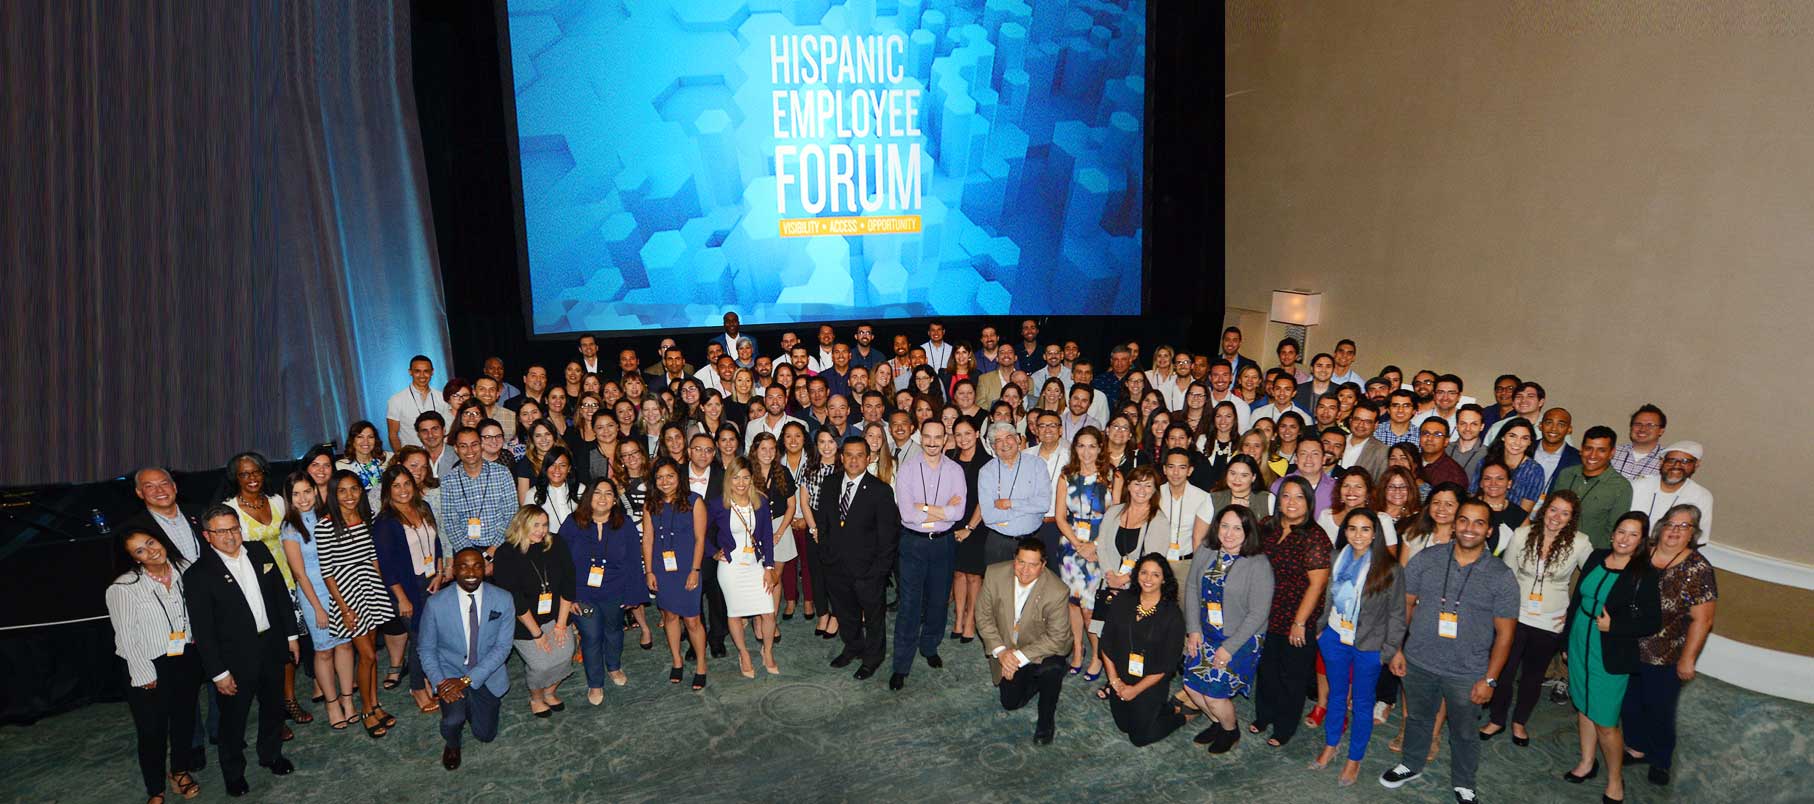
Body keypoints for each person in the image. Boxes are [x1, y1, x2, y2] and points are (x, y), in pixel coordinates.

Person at [1378, 499, 1518, 804]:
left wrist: (1490, 680)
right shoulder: (1427, 559)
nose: (1470, 528)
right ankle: (1411, 764)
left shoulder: (1501, 574)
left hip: (1467, 671)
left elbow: (1506, 635)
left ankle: (1465, 782)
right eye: (1464, 521)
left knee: (1464, 731)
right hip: (1418, 660)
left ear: (1489, 530)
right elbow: (1405, 606)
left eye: (1479, 523)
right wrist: (1397, 649)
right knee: (1417, 718)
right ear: (1454, 525)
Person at [184, 505, 299, 796]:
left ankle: (271, 754)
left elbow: (280, 596)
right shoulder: (198, 574)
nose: (230, 536)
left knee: (274, 707)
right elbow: (204, 630)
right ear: (207, 535)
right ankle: (234, 773)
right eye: (221, 531)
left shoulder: (259, 552)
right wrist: (218, 673)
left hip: (272, 646)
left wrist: (291, 635)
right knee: (233, 721)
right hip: (234, 660)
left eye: (234, 529)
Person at [1562, 512, 1662, 804]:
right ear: (1612, 533)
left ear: (1641, 541)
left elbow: (1652, 621)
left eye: (1632, 535)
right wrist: (1567, 640)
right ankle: (1586, 762)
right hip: (1581, 636)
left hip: (1612, 650)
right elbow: (1577, 601)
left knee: (1605, 720)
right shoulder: (1596, 557)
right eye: (1621, 531)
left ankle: (1615, 781)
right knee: (1582, 705)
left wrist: (1614, 626)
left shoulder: (1644, 573)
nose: (1624, 539)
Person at [1480, 491, 1589, 745]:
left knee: (1533, 674)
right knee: (1504, 672)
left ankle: (1520, 722)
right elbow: (1505, 575)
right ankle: (1497, 719)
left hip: (1551, 619)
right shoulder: (1522, 535)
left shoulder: (1580, 542)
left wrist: (1574, 618)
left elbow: (1592, 577)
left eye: (1565, 513)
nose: (1557, 517)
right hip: (1514, 615)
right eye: (1553, 509)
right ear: (1544, 509)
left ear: (1572, 518)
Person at [1307, 508, 1406, 786]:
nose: (1358, 535)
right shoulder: (1336, 558)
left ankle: (1354, 759)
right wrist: (1322, 630)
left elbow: (1398, 614)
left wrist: (1387, 650)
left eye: (1365, 529)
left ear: (1375, 533)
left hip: (1369, 646)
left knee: (1362, 704)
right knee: (1335, 696)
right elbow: (1328, 598)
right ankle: (1331, 744)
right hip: (1335, 638)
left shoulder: (1389, 568)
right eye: (1352, 528)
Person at [1620, 504, 1717, 787]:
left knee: (1659, 708)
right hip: (1627, 645)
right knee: (1629, 702)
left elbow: (1704, 619)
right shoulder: (1642, 552)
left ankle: (1661, 758)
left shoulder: (1697, 568)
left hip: (1665, 652)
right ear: (1661, 526)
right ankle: (1636, 748)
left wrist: (1688, 660)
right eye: (1671, 523)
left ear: (1693, 534)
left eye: (1683, 526)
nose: (1675, 530)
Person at [108, 527, 205, 803]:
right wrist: (143, 673)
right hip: (148, 665)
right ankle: (155, 790)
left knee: (184, 720)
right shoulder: (123, 588)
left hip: (186, 657)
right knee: (152, 731)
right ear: (134, 558)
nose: (150, 551)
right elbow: (126, 637)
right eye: (140, 550)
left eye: (151, 542)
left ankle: (179, 772)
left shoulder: (184, 570)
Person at [1180, 505, 1273, 754]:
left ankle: (1230, 731)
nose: (1229, 534)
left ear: (1248, 531)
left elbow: (1258, 614)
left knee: (1213, 695)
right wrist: (1193, 629)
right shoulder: (1207, 550)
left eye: (1237, 528)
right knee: (1191, 686)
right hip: (1205, 631)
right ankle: (1217, 723)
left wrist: (1228, 649)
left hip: (1241, 638)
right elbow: (1191, 588)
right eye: (1224, 526)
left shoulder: (1258, 564)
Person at [314, 471, 399, 739]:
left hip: (371, 589)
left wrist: (382, 589)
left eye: (354, 490)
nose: (349, 496)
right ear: (333, 494)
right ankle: (365, 710)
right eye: (343, 491)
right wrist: (344, 608)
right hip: (348, 597)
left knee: (370, 654)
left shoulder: (365, 519)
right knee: (369, 656)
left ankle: (374, 704)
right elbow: (327, 572)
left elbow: (373, 557)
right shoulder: (325, 526)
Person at [1250, 476, 1331, 748]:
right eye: (1286, 496)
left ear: (1309, 501)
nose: (1291, 502)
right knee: (1267, 668)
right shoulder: (1267, 527)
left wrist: (1299, 622)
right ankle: (1264, 716)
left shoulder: (1315, 536)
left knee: (1292, 676)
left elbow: (1317, 585)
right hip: (1266, 611)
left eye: (1298, 496)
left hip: (1297, 615)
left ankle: (1284, 727)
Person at [417, 548, 515, 770]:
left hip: (486, 673)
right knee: (453, 720)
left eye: (477, 565)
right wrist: (441, 683)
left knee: (485, 735)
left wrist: (467, 681)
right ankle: (452, 743)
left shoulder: (503, 599)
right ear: (453, 569)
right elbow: (426, 648)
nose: (471, 572)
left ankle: (470, 702)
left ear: (486, 569)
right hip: (449, 672)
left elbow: (502, 647)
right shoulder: (436, 604)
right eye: (464, 566)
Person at [814, 436, 901, 679]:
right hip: (835, 566)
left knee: (873, 618)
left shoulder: (881, 491)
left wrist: (879, 572)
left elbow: (888, 537)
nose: (853, 460)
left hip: (868, 572)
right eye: (849, 455)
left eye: (859, 455)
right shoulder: (830, 484)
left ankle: (873, 657)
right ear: (841, 458)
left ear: (869, 458)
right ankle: (853, 646)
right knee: (845, 613)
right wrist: (825, 555)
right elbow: (824, 523)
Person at [890, 420, 966, 690]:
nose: (933, 442)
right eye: (928, 437)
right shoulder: (908, 469)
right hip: (913, 544)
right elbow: (907, 514)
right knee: (909, 605)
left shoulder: (955, 470)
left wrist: (924, 506)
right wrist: (941, 509)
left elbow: (958, 513)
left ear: (945, 439)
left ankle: (929, 646)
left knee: (937, 601)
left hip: (943, 544)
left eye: (938, 437)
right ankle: (901, 664)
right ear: (920, 438)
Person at [277, 471, 354, 734]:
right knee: (324, 651)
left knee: (345, 646)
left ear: (315, 491)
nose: (303, 498)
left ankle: (348, 700)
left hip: (340, 590)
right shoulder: (289, 527)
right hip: (314, 596)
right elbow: (299, 573)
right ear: (289, 498)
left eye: (307, 491)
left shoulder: (328, 517)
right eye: (296, 494)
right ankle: (332, 705)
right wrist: (319, 607)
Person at [976, 537, 1072, 744]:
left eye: (1033, 565)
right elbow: (983, 616)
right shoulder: (994, 574)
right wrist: (1002, 652)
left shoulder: (1057, 591)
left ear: (1043, 565)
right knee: (1010, 703)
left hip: (1043, 650)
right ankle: (1036, 679)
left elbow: (1056, 637)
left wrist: (1016, 658)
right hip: (1007, 649)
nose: (1025, 570)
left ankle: (1046, 723)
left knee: (1052, 669)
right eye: (1021, 562)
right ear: (1014, 559)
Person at [371, 466, 443, 714]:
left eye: (406, 484)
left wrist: (441, 572)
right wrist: (401, 598)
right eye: (396, 486)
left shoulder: (423, 508)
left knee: (431, 638)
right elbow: (387, 566)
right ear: (388, 491)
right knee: (421, 641)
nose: (403, 490)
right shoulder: (384, 522)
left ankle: (426, 679)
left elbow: (436, 542)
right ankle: (417, 688)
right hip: (407, 589)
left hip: (432, 581)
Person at [491, 505, 575, 716]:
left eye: (544, 525)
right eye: (535, 525)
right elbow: (516, 601)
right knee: (541, 664)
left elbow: (569, 584)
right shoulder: (505, 554)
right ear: (521, 525)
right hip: (524, 622)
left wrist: (561, 624)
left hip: (557, 614)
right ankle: (536, 697)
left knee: (565, 654)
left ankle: (549, 692)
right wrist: (537, 634)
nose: (541, 530)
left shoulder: (556, 544)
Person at [560, 480, 640, 703]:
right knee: (591, 636)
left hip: (615, 590)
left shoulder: (625, 524)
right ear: (588, 497)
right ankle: (595, 683)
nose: (602, 498)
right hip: (582, 592)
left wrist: (633, 593)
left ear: (615, 500)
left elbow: (635, 560)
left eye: (608, 494)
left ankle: (614, 667)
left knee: (614, 631)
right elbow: (561, 562)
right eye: (597, 493)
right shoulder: (573, 523)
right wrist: (569, 597)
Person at [1098, 555, 1187, 746]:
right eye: (1144, 572)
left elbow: (1168, 664)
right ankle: (1166, 708)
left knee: (1139, 737)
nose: (1148, 579)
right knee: (1124, 726)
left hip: (1150, 682)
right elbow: (1106, 642)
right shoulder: (1122, 600)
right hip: (1121, 678)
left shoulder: (1172, 615)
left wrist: (1135, 690)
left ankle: (1182, 717)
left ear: (1164, 579)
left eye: (1155, 575)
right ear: (1136, 574)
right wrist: (1114, 681)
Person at [705, 457, 780, 678]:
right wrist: (713, 552)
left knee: (767, 611)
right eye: (736, 477)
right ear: (729, 479)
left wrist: (768, 566)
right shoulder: (718, 504)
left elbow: (766, 537)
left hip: (755, 564)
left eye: (745, 477)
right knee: (735, 613)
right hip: (731, 568)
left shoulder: (761, 502)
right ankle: (744, 654)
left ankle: (767, 651)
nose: (740, 483)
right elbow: (699, 531)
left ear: (751, 479)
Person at [642, 460, 711, 690]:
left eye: (670, 476)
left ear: (678, 477)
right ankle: (677, 660)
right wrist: (649, 571)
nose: (665, 481)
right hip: (662, 569)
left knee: (692, 619)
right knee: (670, 616)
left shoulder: (694, 501)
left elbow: (701, 539)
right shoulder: (651, 504)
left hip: (688, 568)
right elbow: (648, 539)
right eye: (660, 477)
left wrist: (695, 570)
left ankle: (701, 664)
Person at [1053, 425, 1117, 677]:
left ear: (1100, 448)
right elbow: (1060, 517)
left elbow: (1116, 517)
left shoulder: (1112, 477)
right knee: (1072, 603)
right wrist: (1079, 545)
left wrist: (1095, 546)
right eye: (1081, 445)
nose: (1086, 451)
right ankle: (1078, 651)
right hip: (1070, 548)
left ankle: (1098, 655)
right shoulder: (1066, 476)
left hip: (1101, 549)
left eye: (1092, 446)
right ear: (1074, 448)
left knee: (1091, 608)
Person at [975, 422, 1054, 567]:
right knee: (998, 588)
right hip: (999, 543)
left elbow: (1043, 505)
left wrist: (1010, 504)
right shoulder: (986, 472)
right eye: (998, 440)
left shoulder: (1037, 465)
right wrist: (1028, 508)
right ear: (993, 446)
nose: (1004, 443)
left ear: (1018, 439)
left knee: (1034, 589)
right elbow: (988, 516)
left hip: (1032, 541)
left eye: (1008, 437)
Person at [1547, 426, 1634, 549]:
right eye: (1588, 448)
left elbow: (1614, 531)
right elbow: (1549, 511)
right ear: (1581, 449)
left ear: (1612, 453)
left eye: (1601, 450)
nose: (1593, 455)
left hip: (1586, 556)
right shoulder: (1566, 474)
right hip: (1550, 547)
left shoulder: (1621, 487)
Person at [441, 425, 518, 557]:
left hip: (501, 547)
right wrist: (472, 555)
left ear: (481, 445)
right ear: (456, 449)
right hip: (466, 552)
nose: (470, 450)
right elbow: (451, 523)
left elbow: (511, 515)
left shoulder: (502, 473)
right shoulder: (448, 481)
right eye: (463, 446)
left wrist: (491, 552)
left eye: (474, 444)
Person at [945, 418, 990, 643]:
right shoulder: (950, 457)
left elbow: (986, 499)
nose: (963, 439)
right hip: (952, 522)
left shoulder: (987, 462)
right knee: (957, 573)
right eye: (958, 434)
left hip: (977, 524)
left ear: (977, 433)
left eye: (967, 433)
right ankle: (958, 618)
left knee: (973, 575)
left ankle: (971, 619)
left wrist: (970, 528)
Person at [1628, 442, 1714, 543]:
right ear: (1661, 462)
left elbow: (1699, 539)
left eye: (1685, 461)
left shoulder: (1701, 496)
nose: (1677, 465)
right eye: (1671, 460)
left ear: (1696, 465)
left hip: (1670, 552)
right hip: (1632, 545)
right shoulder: (1637, 486)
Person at [124, 467, 205, 564]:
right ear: (140, 493)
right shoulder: (135, 528)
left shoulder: (200, 512)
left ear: (174, 487)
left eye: (164, 483)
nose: (159, 490)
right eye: (150, 486)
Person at [387, 355, 451, 450]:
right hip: (411, 457)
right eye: (417, 371)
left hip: (439, 454)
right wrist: (400, 459)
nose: (422, 376)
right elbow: (393, 435)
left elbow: (447, 429)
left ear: (432, 372)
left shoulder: (442, 397)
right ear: (410, 372)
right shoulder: (396, 400)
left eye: (426, 371)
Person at [1610, 404, 1667, 480]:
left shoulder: (1667, 460)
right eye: (1638, 424)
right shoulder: (1612, 452)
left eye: (1650, 425)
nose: (1643, 429)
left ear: (1661, 431)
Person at [336, 421, 387, 489]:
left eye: (370, 437)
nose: (366, 441)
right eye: (360, 437)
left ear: (375, 440)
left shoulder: (387, 458)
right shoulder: (341, 466)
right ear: (352, 441)